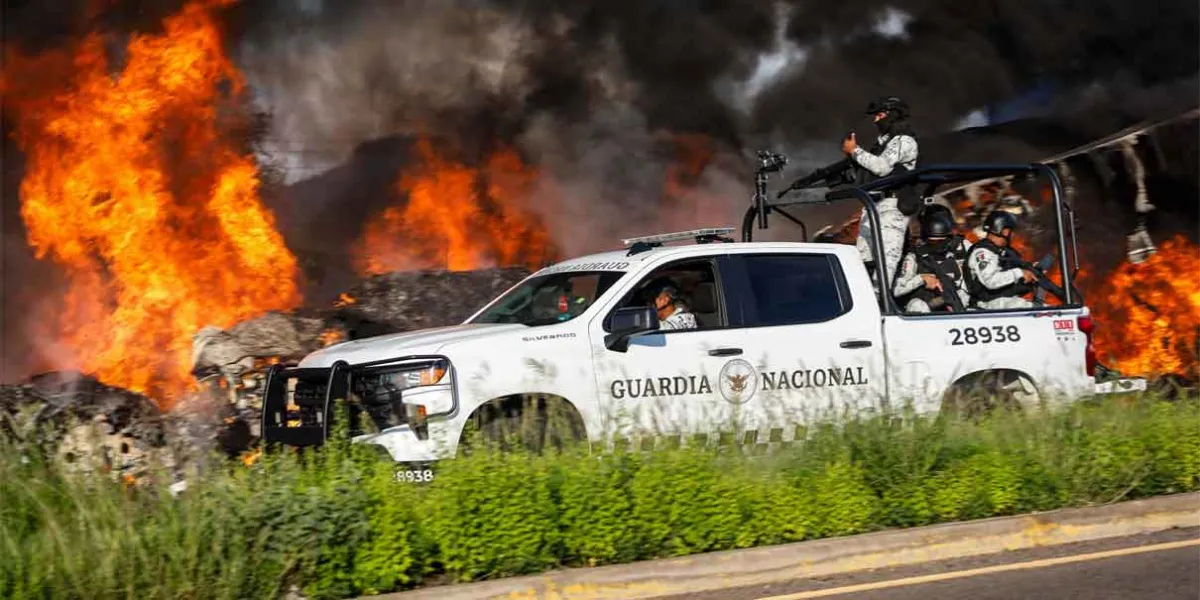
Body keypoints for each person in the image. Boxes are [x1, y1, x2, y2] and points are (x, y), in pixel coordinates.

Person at [844, 96, 920, 291]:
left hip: (892, 210)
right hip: (873, 208)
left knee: (882, 275)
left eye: (880, 115)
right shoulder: (882, 144)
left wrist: (855, 151)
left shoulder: (904, 141)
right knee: (861, 267)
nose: (875, 120)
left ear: (893, 115)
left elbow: (882, 167)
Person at [893, 211, 970, 313]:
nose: (938, 245)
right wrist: (922, 279)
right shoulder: (914, 257)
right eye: (933, 241)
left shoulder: (959, 250)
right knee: (918, 306)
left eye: (942, 241)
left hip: (954, 304)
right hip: (925, 306)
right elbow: (898, 290)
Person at [963, 210, 1038, 310]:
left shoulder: (1002, 251)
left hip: (1002, 300)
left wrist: (1029, 271)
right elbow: (990, 281)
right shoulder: (982, 253)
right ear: (1004, 232)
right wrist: (1019, 273)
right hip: (987, 305)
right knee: (1039, 311)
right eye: (1012, 231)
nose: (1013, 235)